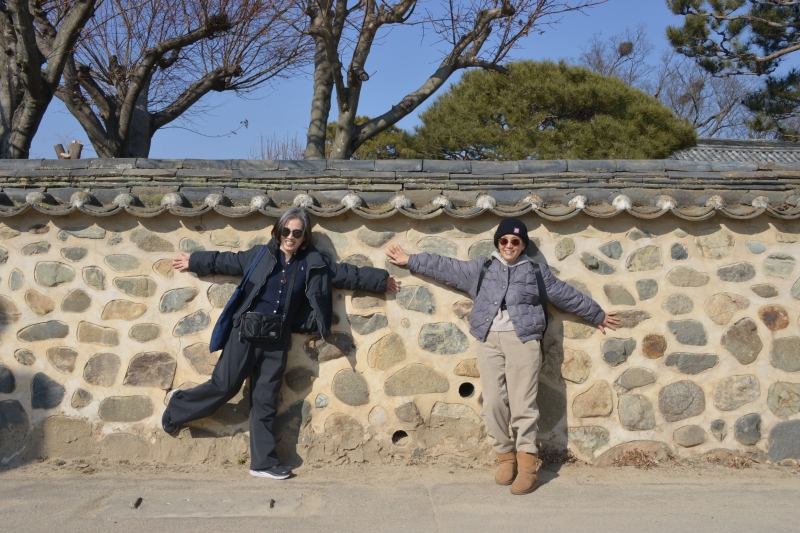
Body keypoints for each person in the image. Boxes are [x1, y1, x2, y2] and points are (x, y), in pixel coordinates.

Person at [386, 218, 619, 495]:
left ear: (523, 245)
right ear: (498, 242)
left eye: (515, 241)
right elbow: (446, 266)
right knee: (493, 402)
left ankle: (528, 468)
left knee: (523, 404)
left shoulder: (536, 271)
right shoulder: (482, 268)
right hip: (488, 340)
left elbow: (565, 295)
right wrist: (410, 260)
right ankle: (505, 458)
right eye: (504, 240)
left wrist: (597, 315)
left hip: (523, 340)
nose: (509, 245)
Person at [163, 208, 401, 479]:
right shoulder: (259, 255)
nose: (290, 236)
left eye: (297, 232)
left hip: (277, 338)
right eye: (286, 230)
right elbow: (226, 260)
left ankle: (263, 463)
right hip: (245, 333)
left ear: (304, 237)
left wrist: (381, 281)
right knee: (224, 386)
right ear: (278, 231)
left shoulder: (313, 263)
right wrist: (195, 260)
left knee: (265, 399)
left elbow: (347, 274)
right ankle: (177, 407)